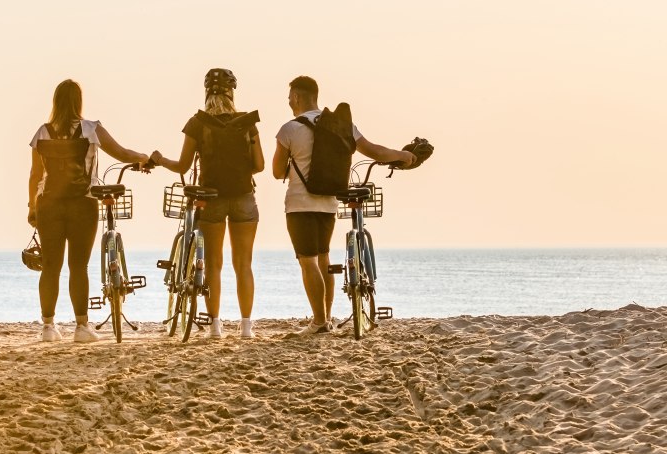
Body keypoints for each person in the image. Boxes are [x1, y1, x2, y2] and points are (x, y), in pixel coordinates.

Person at [272, 75, 416, 335]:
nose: (289, 102)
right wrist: (403, 155)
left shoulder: (288, 130)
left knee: (308, 262)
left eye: (289, 97)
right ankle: (325, 317)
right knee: (324, 258)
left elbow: (276, 171)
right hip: (329, 202)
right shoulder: (342, 125)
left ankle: (318, 322)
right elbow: (375, 151)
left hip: (299, 204)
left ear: (296, 97)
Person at [28, 79, 149, 344]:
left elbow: (35, 175)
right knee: (78, 266)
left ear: (56, 101)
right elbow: (121, 153)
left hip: (49, 204)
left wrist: (32, 208)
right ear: (78, 101)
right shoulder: (91, 129)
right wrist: (143, 157)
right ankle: (81, 327)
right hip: (83, 203)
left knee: (51, 266)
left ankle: (48, 327)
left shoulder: (43, 132)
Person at [151, 68, 265, 340]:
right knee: (243, 264)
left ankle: (215, 325)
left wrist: (160, 159)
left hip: (210, 200)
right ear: (232, 93)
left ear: (206, 93)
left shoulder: (197, 123)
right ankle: (246, 326)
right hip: (243, 197)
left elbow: (183, 165)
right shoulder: (247, 123)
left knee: (213, 264)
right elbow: (259, 165)